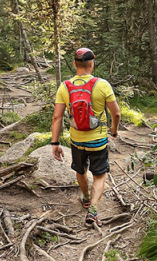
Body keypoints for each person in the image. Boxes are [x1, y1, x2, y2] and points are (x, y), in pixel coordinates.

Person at [52, 47, 121, 227]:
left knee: (81, 171)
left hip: (77, 140)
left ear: (75, 64)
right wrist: (113, 129)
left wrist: (55, 143)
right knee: (99, 175)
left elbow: (57, 117)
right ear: (92, 64)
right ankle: (93, 209)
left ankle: (85, 198)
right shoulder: (102, 85)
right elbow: (116, 113)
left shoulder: (64, 87)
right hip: (98, 141)